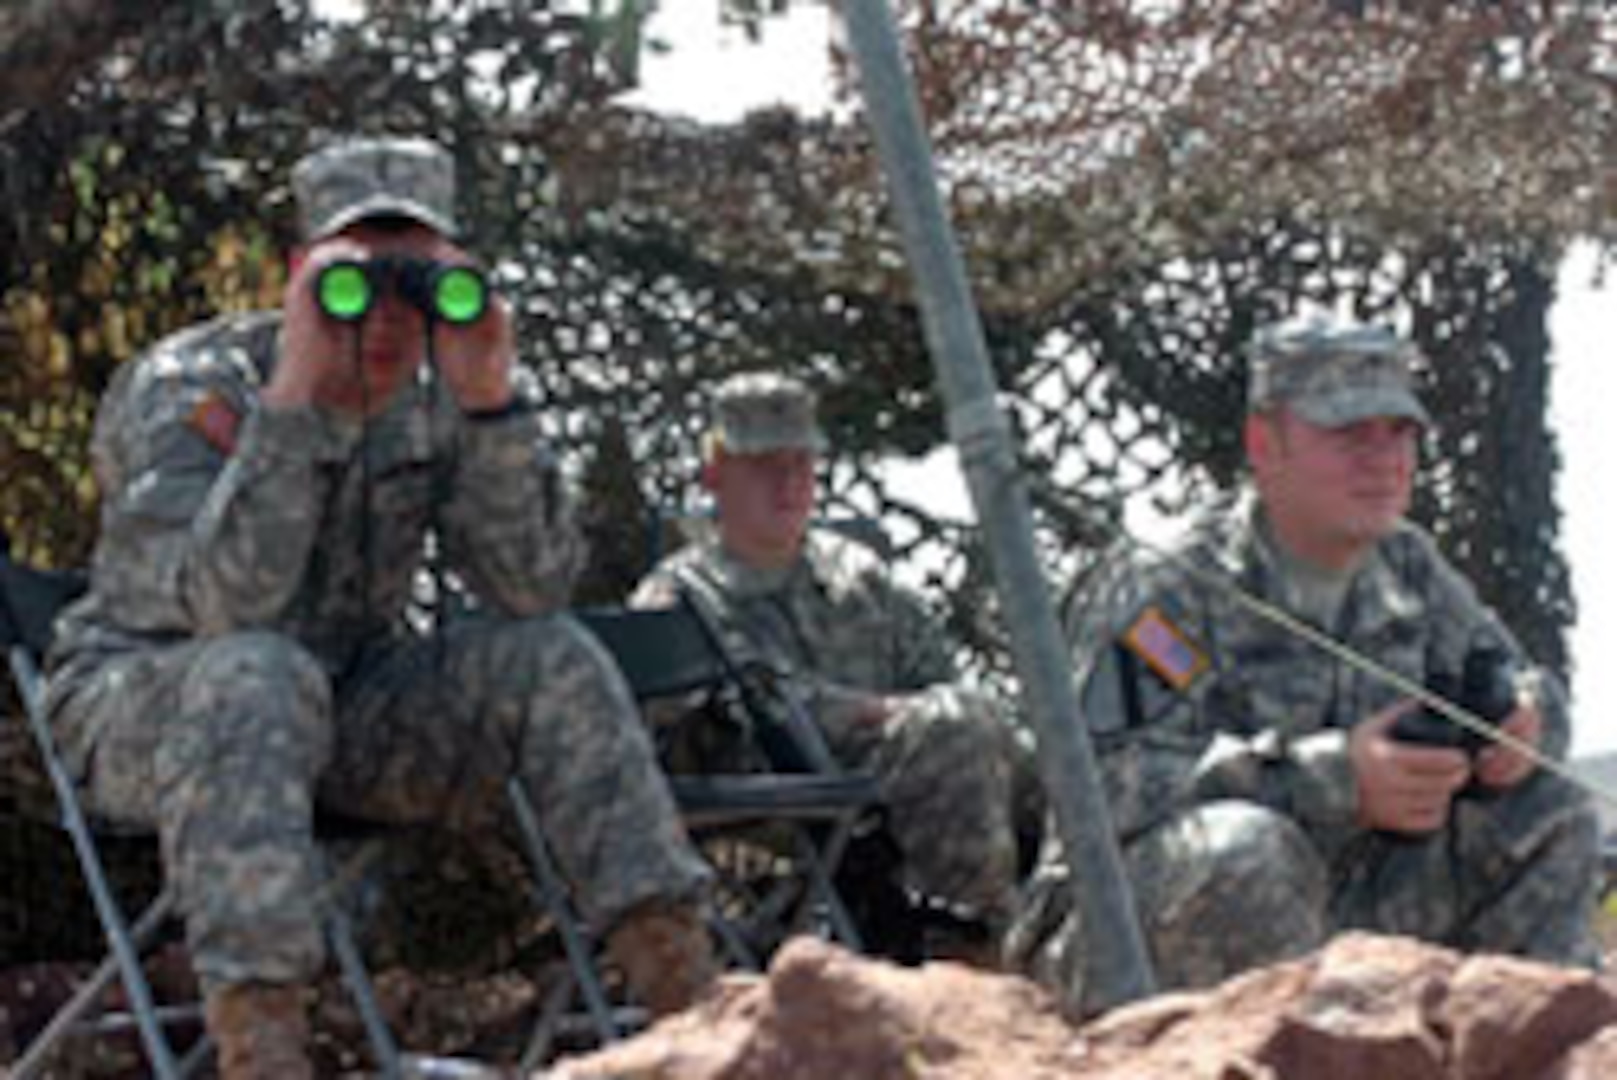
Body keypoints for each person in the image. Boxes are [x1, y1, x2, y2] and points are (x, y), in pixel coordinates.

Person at [43, 135, 716, 1078]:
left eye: (417, 282)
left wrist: (487, 403)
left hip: (341, 706)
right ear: (297, 278)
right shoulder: (188, 389)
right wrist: (294, 400)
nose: (388, 318)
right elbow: (227, 608)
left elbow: (528, 589)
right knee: (256, 672)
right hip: (149, 699)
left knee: (550, 656)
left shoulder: (435, 396)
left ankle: (696, 1008)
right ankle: (262, 1055)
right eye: (356, 279)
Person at [1005, 315, 1602, 1017]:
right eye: (1348, 433)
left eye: (1398, 430)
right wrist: (1333, 779)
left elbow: (1515, 681)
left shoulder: (1407, 566)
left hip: (1348, 911)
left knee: (1551, 811)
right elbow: (1103, 792)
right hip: (1131, 932)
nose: (1382, 459)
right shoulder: (1169, 586)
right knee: (1248, 852)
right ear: (1265, 443)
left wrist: (1521, 728)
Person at [631, 371, 1025, 962]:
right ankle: (972, 941)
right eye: (764, 465)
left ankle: (1061, 924)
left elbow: (937, 673)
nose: (788, 483)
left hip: (897, 772)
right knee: (955, 728)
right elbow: (750, 705)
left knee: (1041, 752)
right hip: (771, 787)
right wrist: (885, 713)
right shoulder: (682, 596)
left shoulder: (858, 575)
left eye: (801, 463)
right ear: (715, 474)